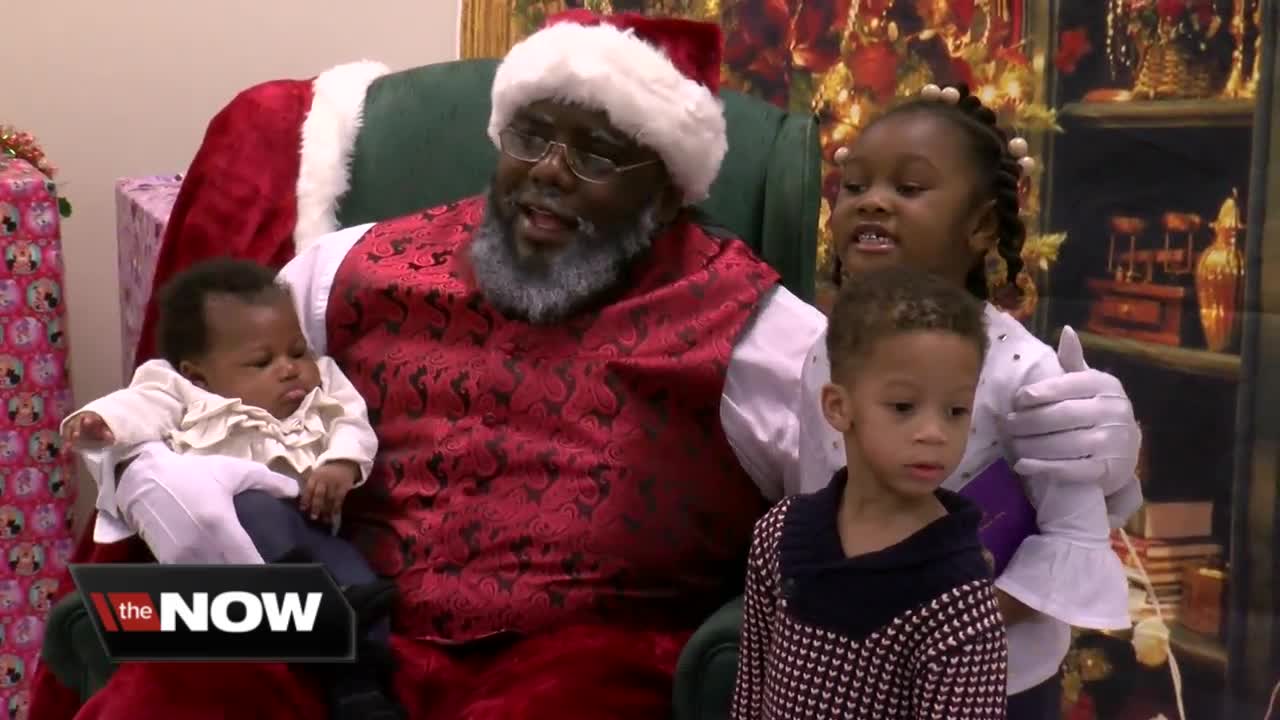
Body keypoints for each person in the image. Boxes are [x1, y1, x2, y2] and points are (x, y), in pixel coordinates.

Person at [37, 11, 1142, 720]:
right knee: (157, 676)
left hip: (572, 653)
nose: (547, 177)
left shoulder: (755, 330)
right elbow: (224, 409)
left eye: (596, 153)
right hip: (337, 621)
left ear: (663, 186)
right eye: (530, 140)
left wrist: (1087, 475)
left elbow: (876, 497)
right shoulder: (351, 267)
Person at [797, 84, 1134, 719]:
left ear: (979, 226)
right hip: (854, 674)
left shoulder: (1026, 371)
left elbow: (1070, 538)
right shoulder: (823, 351)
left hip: (992, 686)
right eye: (855, 185)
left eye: (909, 189)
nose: (873, 201)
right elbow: (810, 494)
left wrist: (947, 620)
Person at [60, 258, 401, 720]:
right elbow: (135, 407)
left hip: (316, 532)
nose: (290, 369)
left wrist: (340, 463)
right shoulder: (178, 389)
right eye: (263, 361)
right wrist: (102, 423)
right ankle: (323, 639)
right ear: (197, 374)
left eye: (297, 351)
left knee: (366, 588)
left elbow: (352, 421)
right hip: (232, 551)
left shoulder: (323, 385)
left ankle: (357, 683)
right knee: (255, 508)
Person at [730, 266, 1009, 720]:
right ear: (839, 407)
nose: (935, 433)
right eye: (903, 407)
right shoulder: (779, 536)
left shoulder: (959, 602)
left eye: (956, 410)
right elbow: (749, 695)